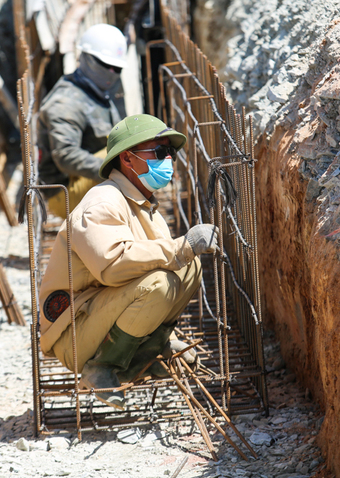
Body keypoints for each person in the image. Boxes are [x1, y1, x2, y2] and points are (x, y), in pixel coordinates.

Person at [37, 114, 219, 410]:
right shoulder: (103, 203)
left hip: (100, 312)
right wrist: (180, 247)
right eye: (159, 153)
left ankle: (149, 352)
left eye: (170, 153)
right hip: (74, 332)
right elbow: (113, 266)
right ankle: (102, 367)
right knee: (159, 282)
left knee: (189, 268)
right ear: (128, 159)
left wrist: (182, 253)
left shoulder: (141, 203)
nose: (168, 159)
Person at [37, 23, 128, 218]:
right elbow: (66, 156)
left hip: (85, 177)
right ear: (86, 58)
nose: (112, 72)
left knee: (135, 150)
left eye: (117, 67)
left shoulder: (95, 89)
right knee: (130, 161)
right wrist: (116, 169)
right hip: (65, 192)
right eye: (107, 65)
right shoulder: (65, 102)